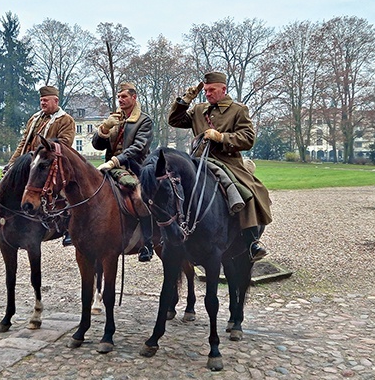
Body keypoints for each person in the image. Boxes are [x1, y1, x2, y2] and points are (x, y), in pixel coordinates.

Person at [168, 71, 272, 261]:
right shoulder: (199, 109)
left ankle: (251, 241)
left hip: (227, 162)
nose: (207, 94)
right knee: (171, 188)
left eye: (212, 90)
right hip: (198, 161)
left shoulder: (238, 110)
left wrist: (222, 137)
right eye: (205, 90)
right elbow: (174, 120)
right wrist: (185, 100)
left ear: (223, 89)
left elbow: (248, 139)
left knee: (246, 192)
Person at [0, 86, 76, 246]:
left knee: (68, 193)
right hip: (28, 165)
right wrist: (12, 164)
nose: (42, 103)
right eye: (41, 100)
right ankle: (5, 227)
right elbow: (23, 143)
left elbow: (65, 144)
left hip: (51, 165)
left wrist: (41, 154)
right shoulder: (34, 119)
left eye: (46, 100)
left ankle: (69, 229)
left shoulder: (66, 120)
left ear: (56, 101)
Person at [92, 82, 155, 262]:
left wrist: (116, 160)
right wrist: (104, 129)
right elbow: (97, 145)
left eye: (124, 97)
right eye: (118, 97)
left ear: (134, 98)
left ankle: (147, 243)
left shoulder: (144, 120)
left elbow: (139, 147)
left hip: (133, 166)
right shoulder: (115, 118)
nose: (120, 100)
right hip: (109, 167)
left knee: (137, 197)